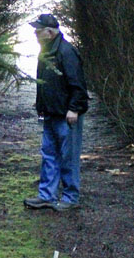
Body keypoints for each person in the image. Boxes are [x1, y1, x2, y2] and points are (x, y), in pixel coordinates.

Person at [23, 13, 90, 212]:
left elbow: (78, 85)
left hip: (67, 116)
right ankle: (47, 196)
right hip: (51, 114)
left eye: (38, 30)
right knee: (49, 155)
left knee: (68, 157)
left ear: (50, 32)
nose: (35, 33)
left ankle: (70, 197)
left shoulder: (67, 52)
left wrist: (74, 109)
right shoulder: (46, 51)